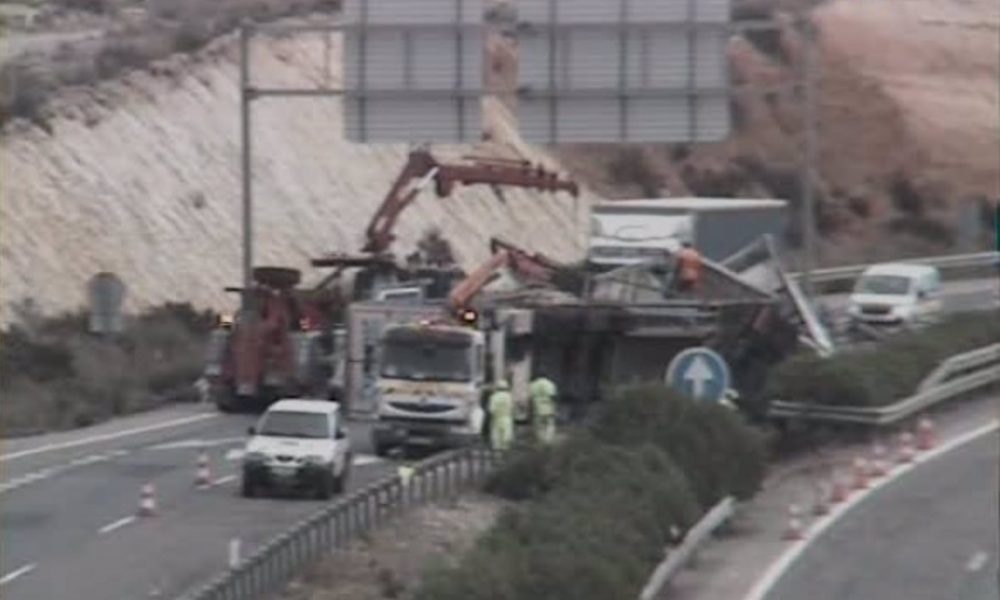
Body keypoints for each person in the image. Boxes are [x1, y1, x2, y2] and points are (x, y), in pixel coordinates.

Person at [529, 374, 558, 444]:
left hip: (537, 409)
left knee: (539, 426)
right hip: (549, 409)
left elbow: (530, 398)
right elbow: (553, 397)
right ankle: (549, 440)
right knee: (550, 424)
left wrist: (530, 410)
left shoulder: (533, 385)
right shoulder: (550, 384)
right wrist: (555, 408)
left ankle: (540, 440)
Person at [487, 380, 514, 451]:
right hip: (506, 419)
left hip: (496, 419)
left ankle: (497, 455)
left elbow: (491, 410)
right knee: (506, 439)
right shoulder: (509, 396)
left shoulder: (493, 397)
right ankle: (505, 454)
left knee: (496, 439)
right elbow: (511, 408)